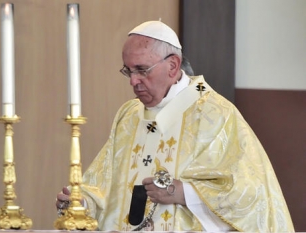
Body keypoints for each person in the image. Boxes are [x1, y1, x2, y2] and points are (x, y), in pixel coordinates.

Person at [56, 20, 294, 232]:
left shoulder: (216, 114)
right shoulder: (129, 115)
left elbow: (250, 193)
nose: (133, 81)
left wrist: (184, 193)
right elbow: (105, 181)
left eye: (142, 70)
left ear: (173, 66)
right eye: (128, 70)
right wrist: (81, 202)